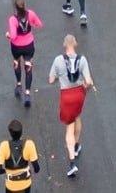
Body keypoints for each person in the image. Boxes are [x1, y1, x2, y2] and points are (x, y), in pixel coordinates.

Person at [48, 33, 93, 175]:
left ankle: (72, 161)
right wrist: (86, 88)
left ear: (64, 45)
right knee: (77, 116)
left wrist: (58, 77)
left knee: (69, 127)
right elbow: (89, 81)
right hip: (79, 94)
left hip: (66, 96)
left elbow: (51, 80)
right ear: (75, 44)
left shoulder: (58, 60)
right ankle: (77, 144)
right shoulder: (83, 60)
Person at [7, 0, 44, 104]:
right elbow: (39, 24)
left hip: (16, 47)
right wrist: (31, 23)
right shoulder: (30, 14)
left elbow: (13, 36)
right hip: (28, 46)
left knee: (16, 63)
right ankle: (27, 94)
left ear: (16, 8)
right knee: (28, 67)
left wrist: (8, 35)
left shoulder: (13, 20)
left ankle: (19, 85)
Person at [0, 119, 41, 191]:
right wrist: (34, 170)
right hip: (25, 184)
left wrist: (5, 171)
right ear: (21, 132)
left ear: (10, 133)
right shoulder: (29, 144)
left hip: (10, 186)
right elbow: (36, 168)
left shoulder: (4, 146)